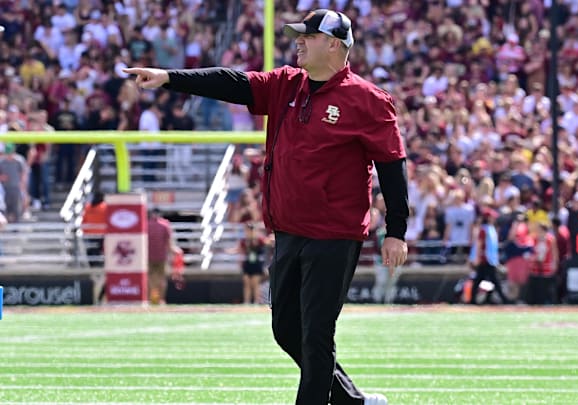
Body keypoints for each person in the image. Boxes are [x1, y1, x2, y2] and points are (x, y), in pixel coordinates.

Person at [124, 9, 408, 405]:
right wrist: (170, 77)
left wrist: (396, 230)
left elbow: (392, 167)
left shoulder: (368, 100)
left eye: (308, 36)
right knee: (286, 329)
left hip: (335, 234)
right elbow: (234, 82)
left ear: (335, 45)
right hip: (289, 230)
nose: (298, 42)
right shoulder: (287, 84)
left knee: (316, 334)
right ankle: (351, 401)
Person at [470, 208, 510, 304]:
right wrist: (477, 257)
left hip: (490, 259)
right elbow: (479, 244)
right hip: (485, 259)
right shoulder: (484, 230)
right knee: (493, 280)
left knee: (482, 280)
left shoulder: (490, 229)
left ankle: (476, 299)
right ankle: (503, 299)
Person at [147, 208, 182, 305]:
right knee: (161, 278)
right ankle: (160, 300)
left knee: (150, 278)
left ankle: (152, 299)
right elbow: (169, 243)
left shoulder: (146, 225)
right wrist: (175, 251)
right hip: (161, 256)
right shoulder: (164, 225)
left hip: (148, 256)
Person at [81, 191, 107, 268]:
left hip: (90, 234)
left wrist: (85, 232)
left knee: (91, 251)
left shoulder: (88, 207)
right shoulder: (105, 207)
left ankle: (93, 266)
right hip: (102, 234)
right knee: (100, 251)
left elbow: (84, 221)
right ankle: (99, 265)